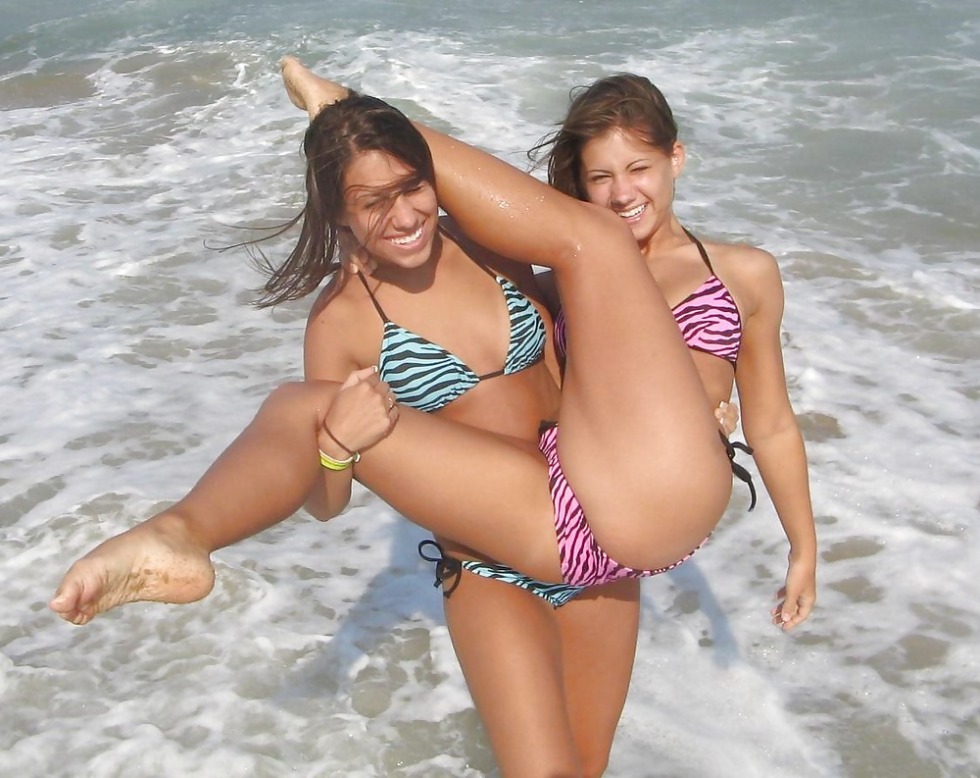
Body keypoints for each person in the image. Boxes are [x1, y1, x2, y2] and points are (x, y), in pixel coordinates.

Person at [51, 64, 737, 776]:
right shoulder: (342, 323)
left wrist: (686, 397)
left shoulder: (488, 245)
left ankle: (339, 107)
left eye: (414, 186)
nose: (406, 215)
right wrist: (339, 448)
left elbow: (586, 287)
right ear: (338, 211)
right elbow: (323, 499)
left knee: (590, 766)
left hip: (592, 515)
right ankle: (181, 535)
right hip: (492, 564)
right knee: (304, 409)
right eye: (373, 201)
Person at [532, 74, 817, 628]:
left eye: (639, 169)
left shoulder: (742, 275)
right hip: (553, 502)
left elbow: (773, 424)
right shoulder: (566, 277)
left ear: (675, 159)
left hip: (637, 520)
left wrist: (802, 547)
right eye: (601, 177)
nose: (622, 193)